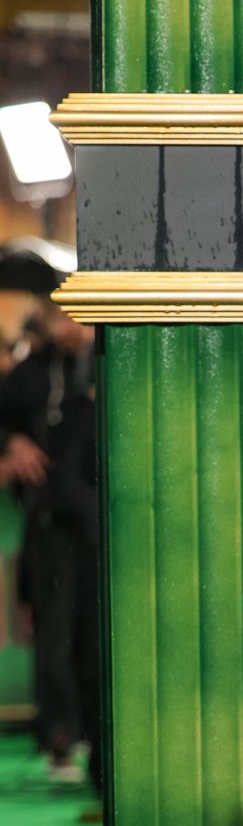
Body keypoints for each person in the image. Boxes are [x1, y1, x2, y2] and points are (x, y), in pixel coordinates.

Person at [0, 302, 99, 793]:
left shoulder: (108, 359)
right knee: (55, 629)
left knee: (96, 633)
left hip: (102, 520)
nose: (72, 325)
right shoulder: (33, 373)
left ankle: (95, 737)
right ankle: (60, 736)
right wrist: (11, 443)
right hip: (51, 521)